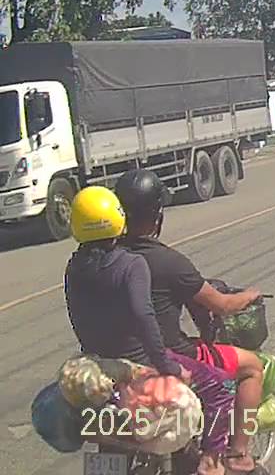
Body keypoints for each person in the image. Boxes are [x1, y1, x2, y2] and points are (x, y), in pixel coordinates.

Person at [63, 186, 234, 475]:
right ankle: (211, 462)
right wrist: (167, 367)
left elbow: (76, 316)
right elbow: (144, 316)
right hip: (140, 364)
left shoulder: (74, 267)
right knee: (222, 386)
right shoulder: (131, 264)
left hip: (98, 364)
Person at [114, 169, 266, 475]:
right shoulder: (170, 262)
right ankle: (234, 455)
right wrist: (249, 295)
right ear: (157, 214)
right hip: (168, 354)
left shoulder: (107, 256)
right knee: (251, 368)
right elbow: (221, 305)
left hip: (116, 356)